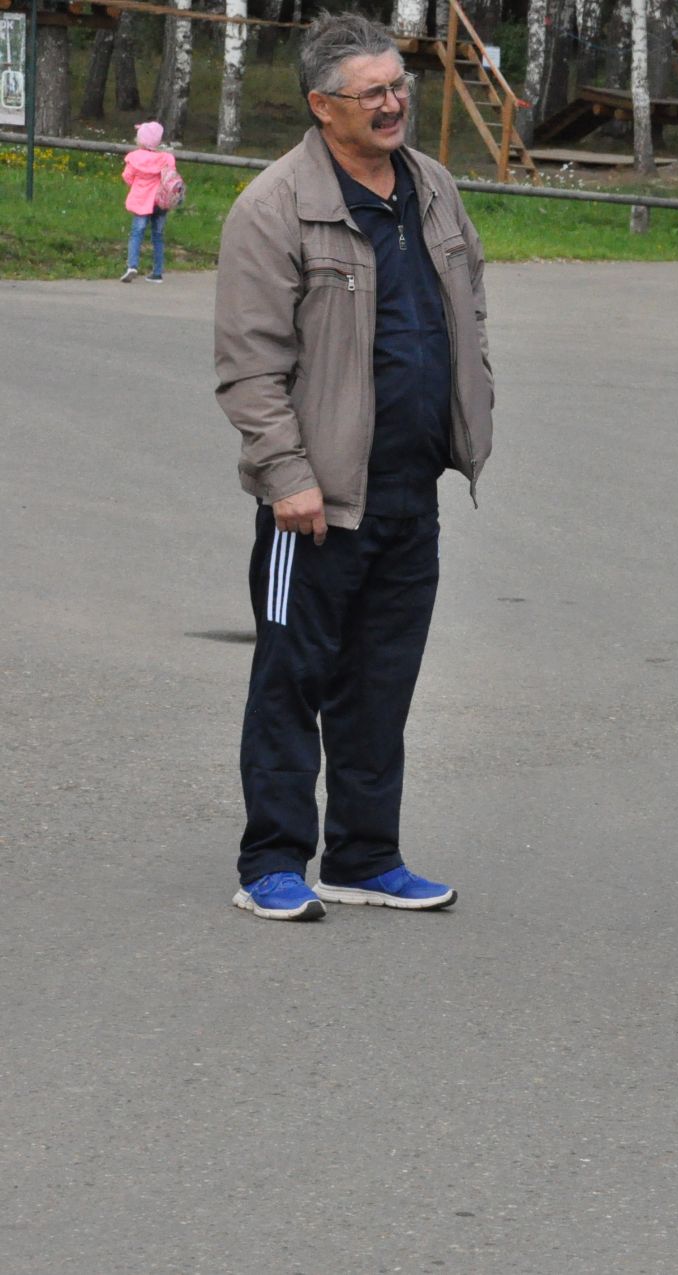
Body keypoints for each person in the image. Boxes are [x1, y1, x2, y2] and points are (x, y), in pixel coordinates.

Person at [214, 12, 492, 921]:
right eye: (371, 92)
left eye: (399, 85)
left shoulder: (435, 188)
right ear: (321, 106)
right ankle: (273, 861)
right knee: (291, 677)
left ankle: (366, 855)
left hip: (413, 490)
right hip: (317, 503)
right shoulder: (274, 205)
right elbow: (251, 365)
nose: (394, 103)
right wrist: (287, 473)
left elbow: (468, 312)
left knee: (382, 683)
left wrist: (469, 411)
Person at [121, 120, 177, 283]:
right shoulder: (166, 158)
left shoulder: (135, 158)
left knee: (137, 232)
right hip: (160, 202)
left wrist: (138, 184)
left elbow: (127, 176)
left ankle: (132, 265)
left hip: (141, 201)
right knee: (158, 235)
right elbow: (170, 177)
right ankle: (157, 272)